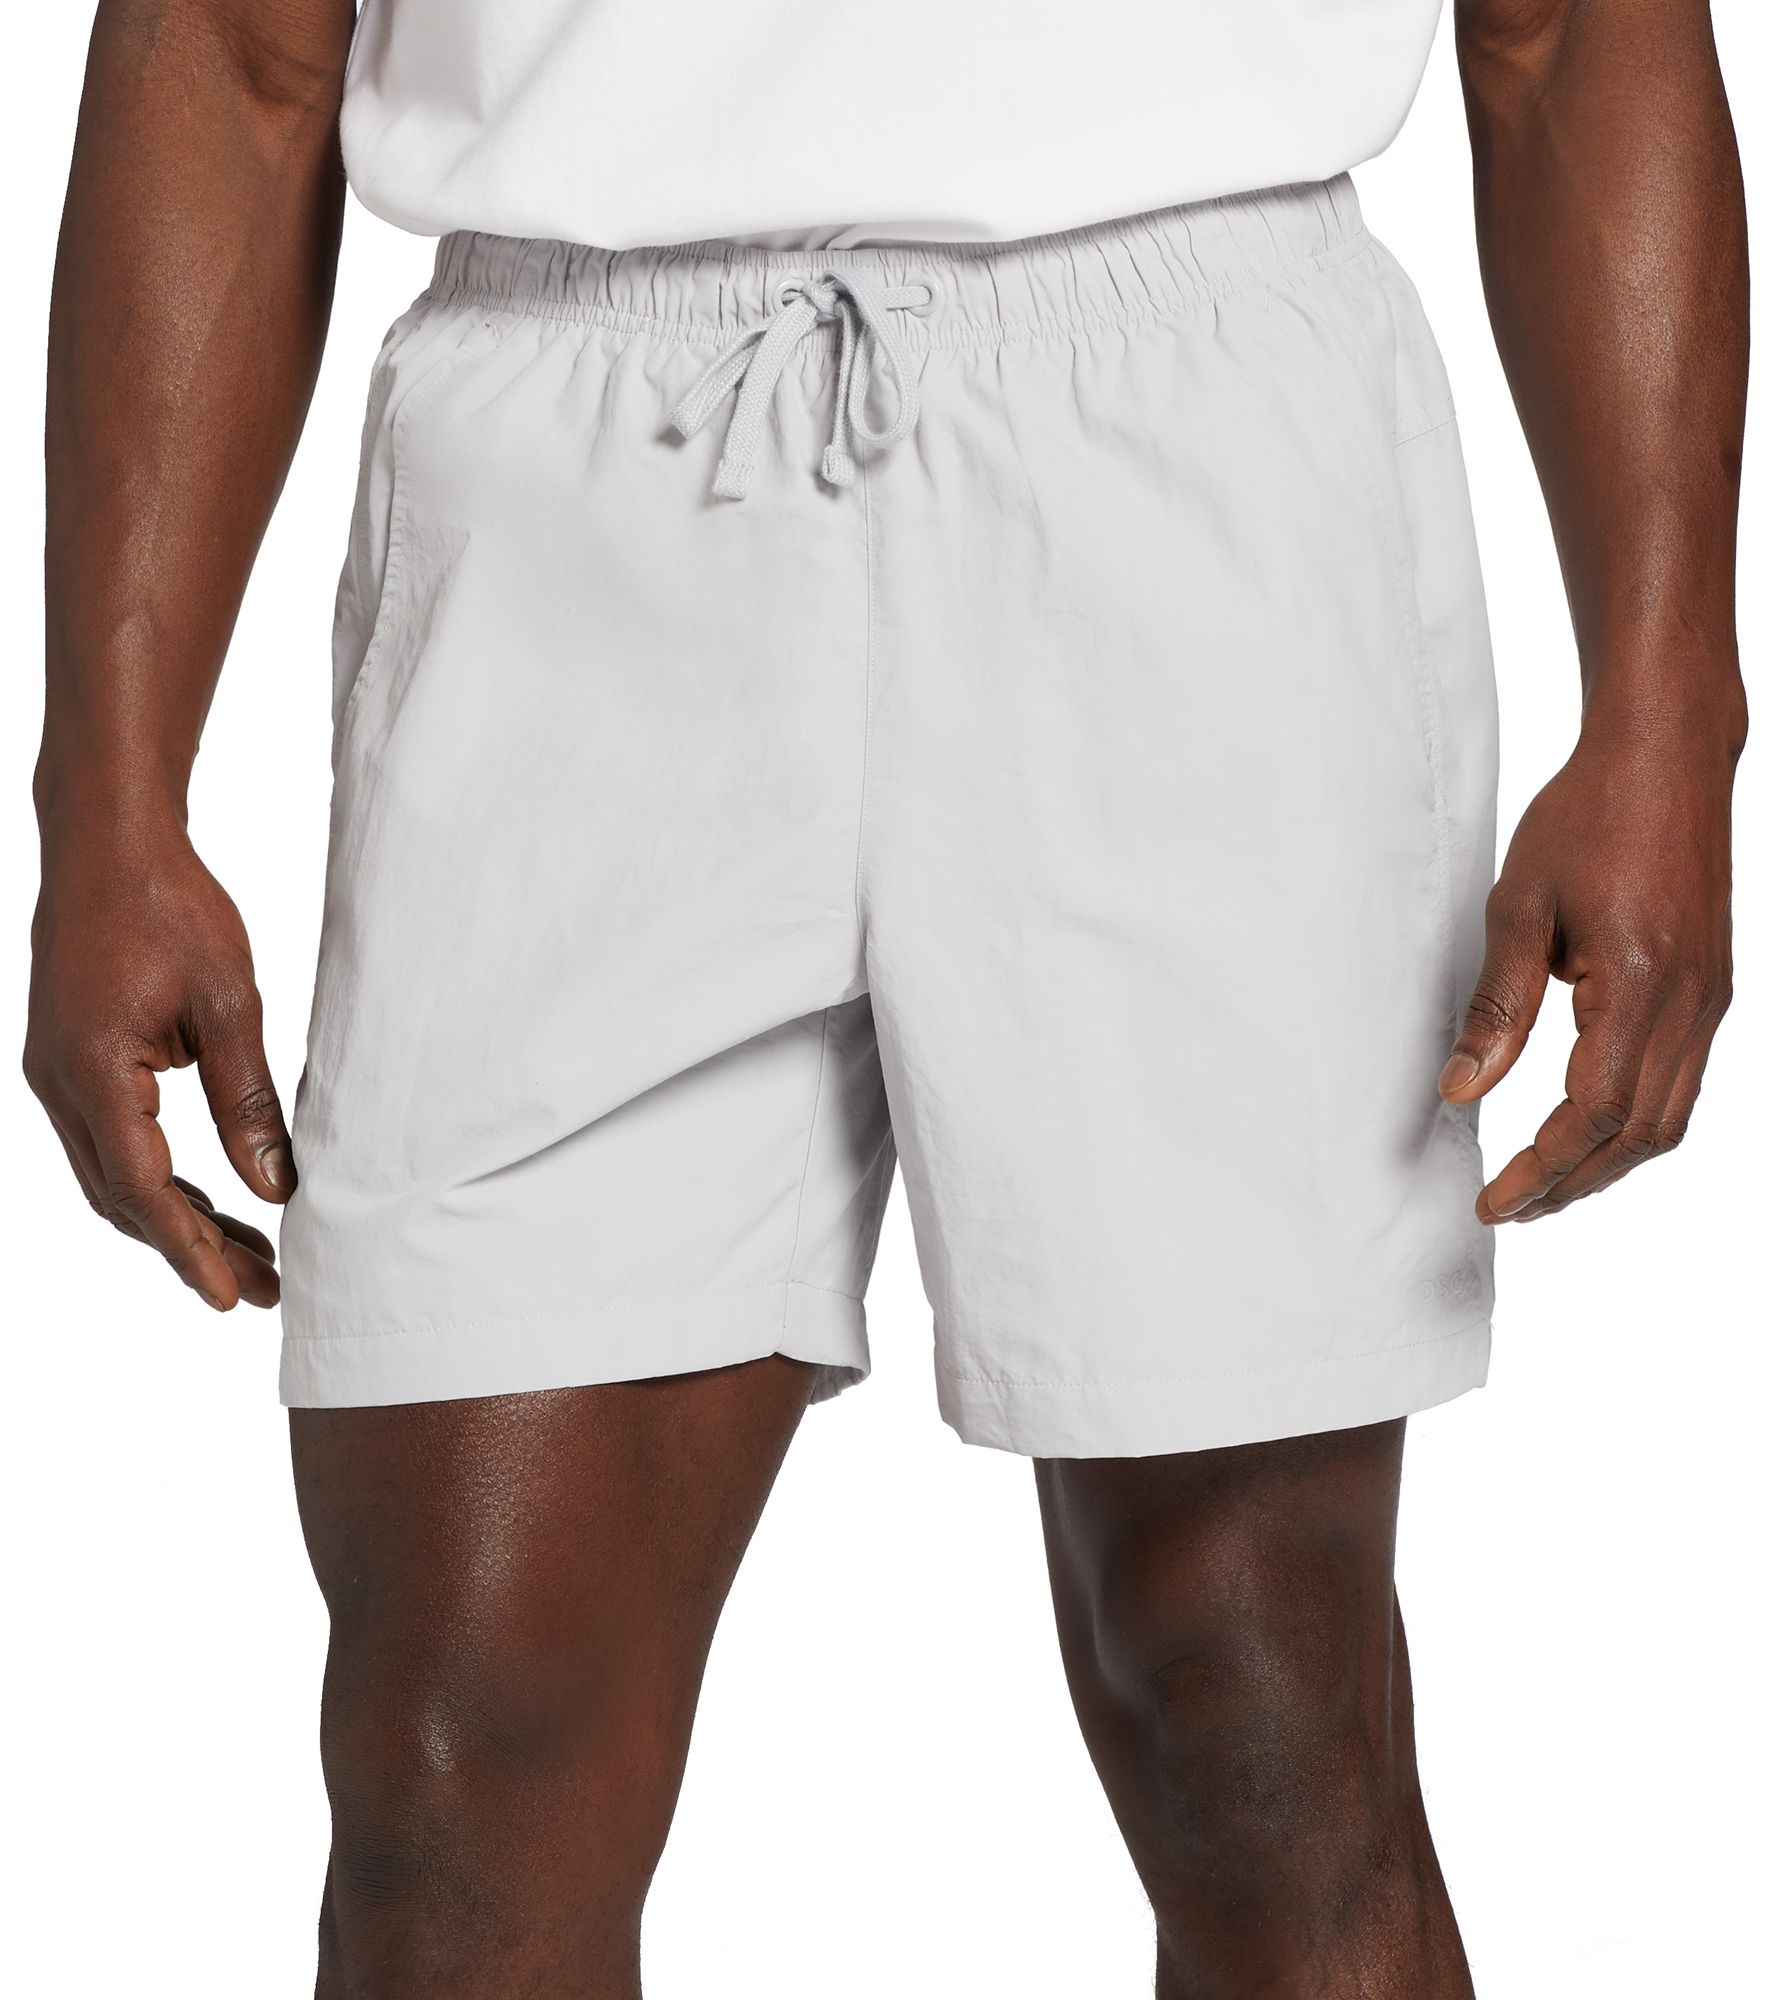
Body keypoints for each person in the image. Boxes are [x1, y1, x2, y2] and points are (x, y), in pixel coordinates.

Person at [26, 0, 1747, 1991]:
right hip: (571, 473)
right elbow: (231, 48)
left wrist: (1667, 712)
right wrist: (108, 797)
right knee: (455, 1758)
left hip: (1183, 427)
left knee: (1260, 1703)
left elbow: (1567, 29)